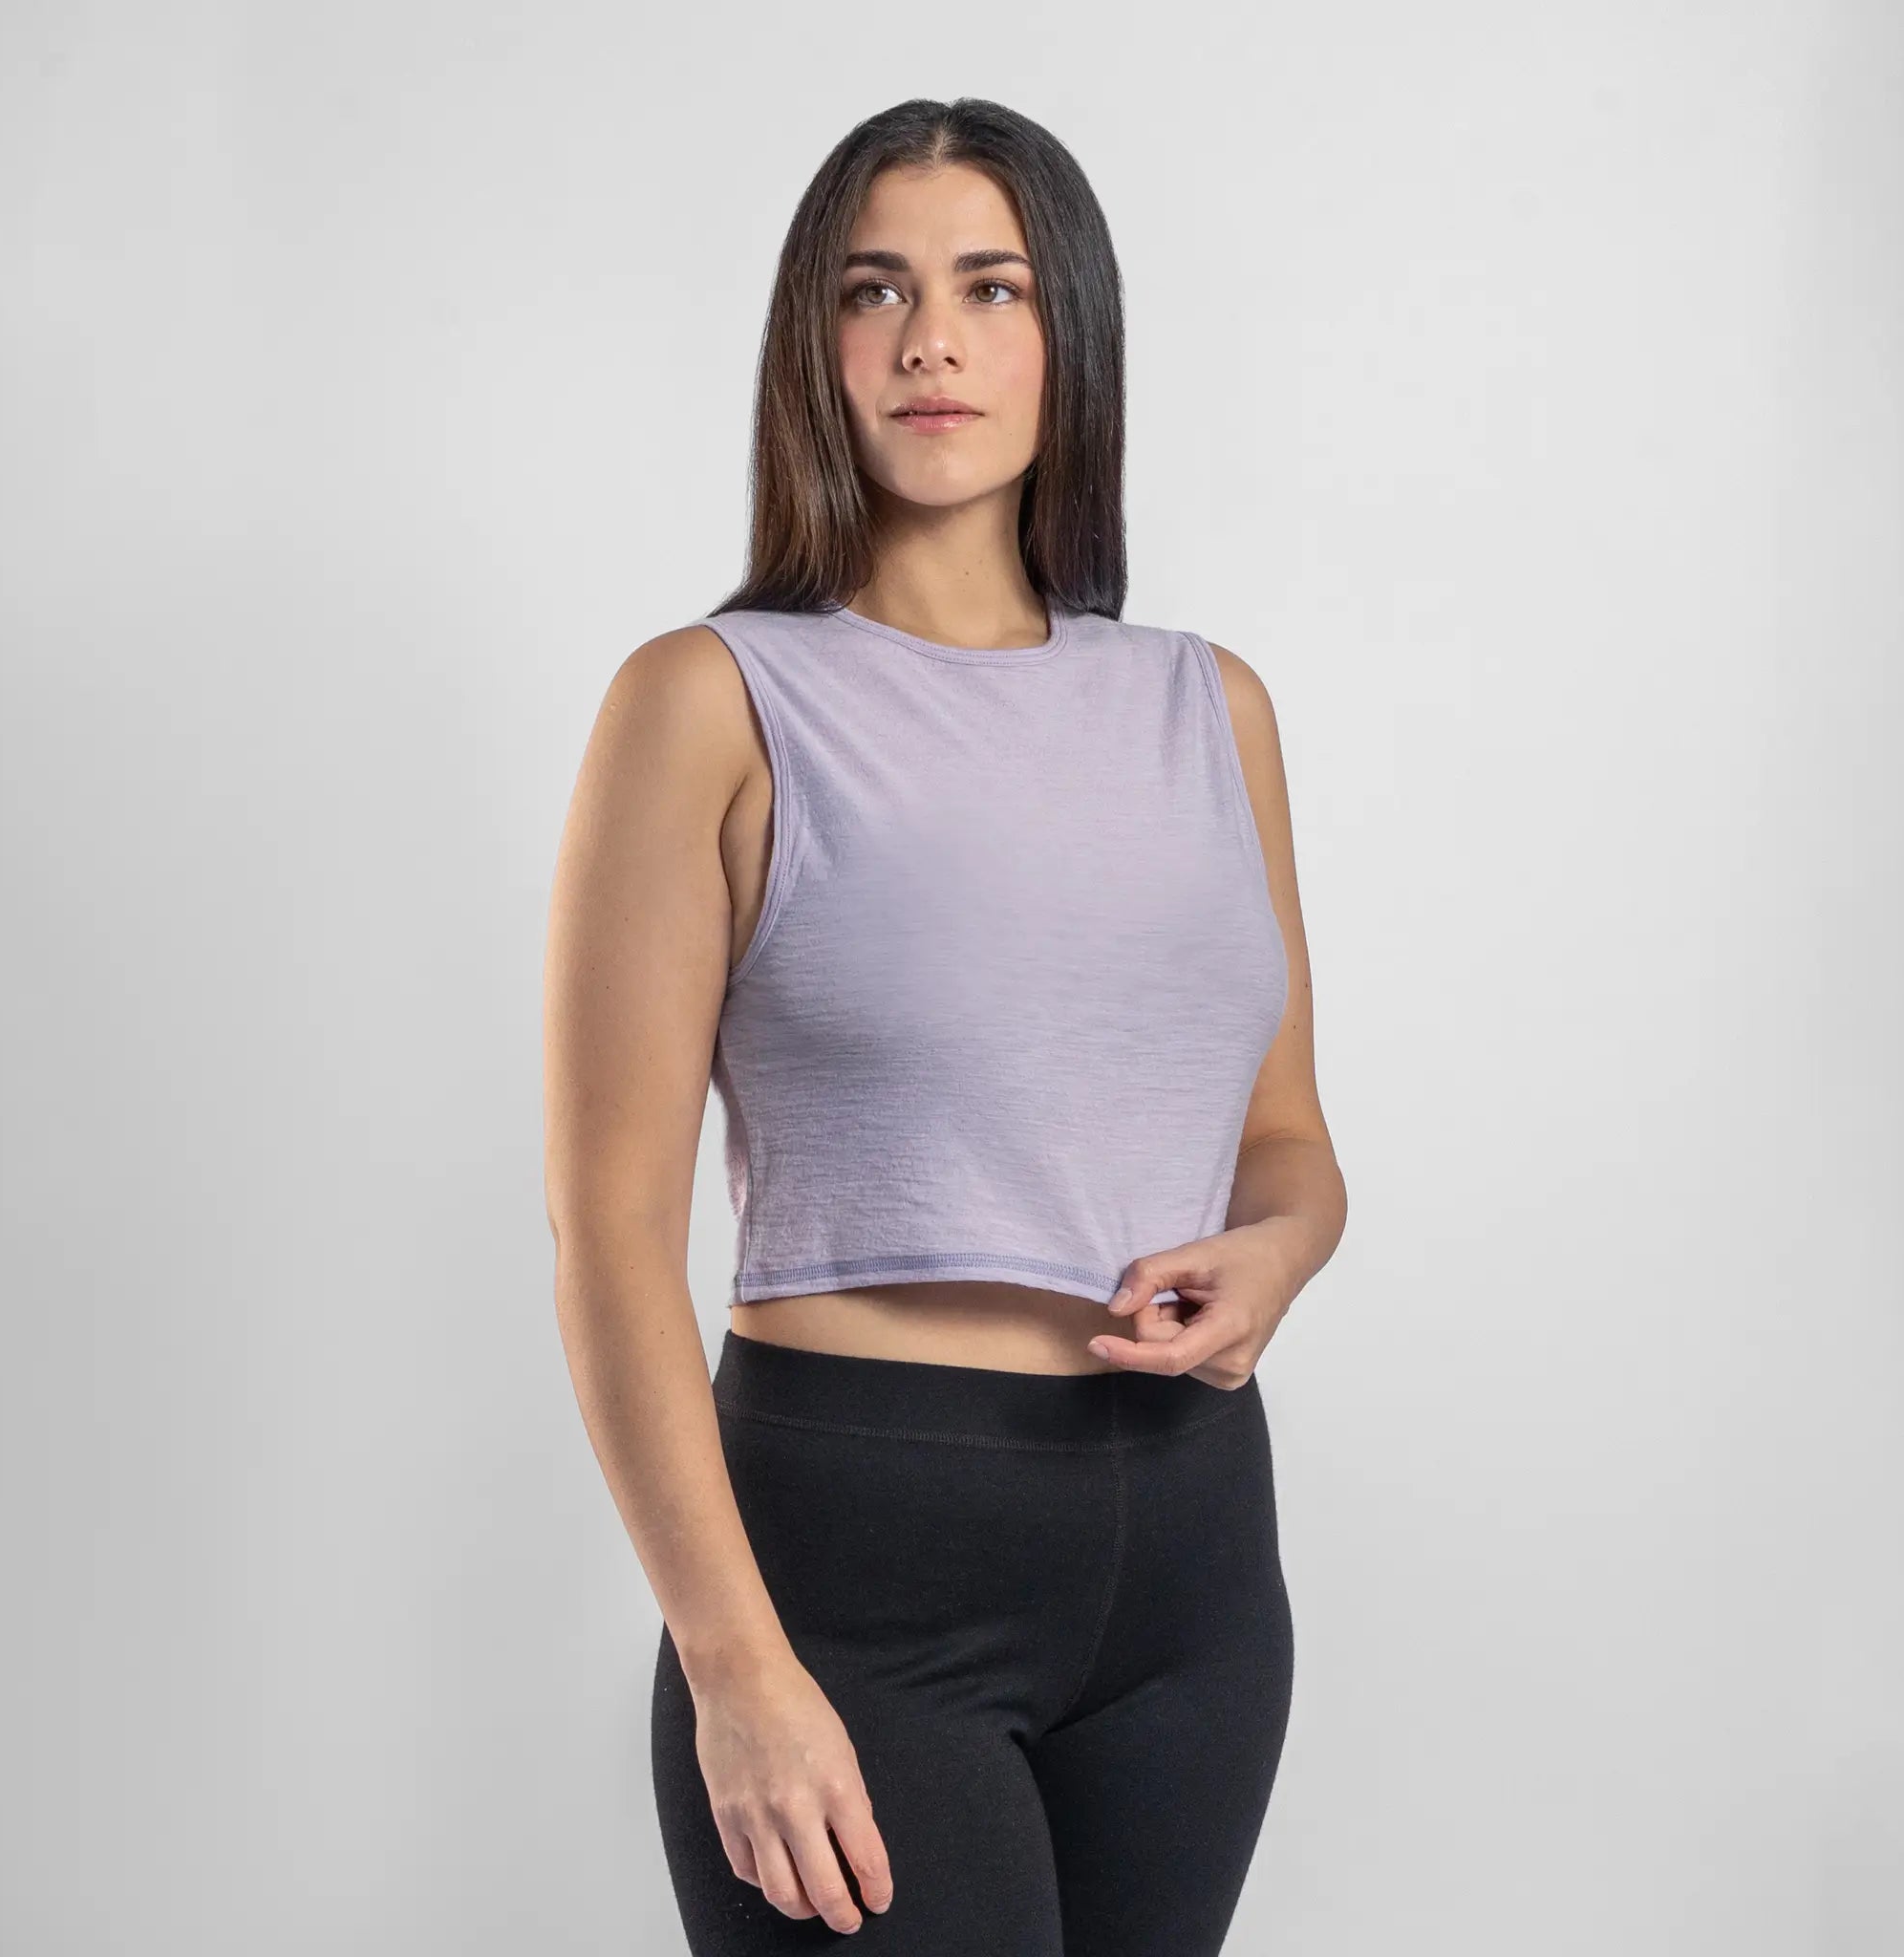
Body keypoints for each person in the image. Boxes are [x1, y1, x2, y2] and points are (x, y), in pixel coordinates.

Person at [543, 95, 1347, 1955]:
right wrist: (734, 1665)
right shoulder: (710, 702)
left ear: (1071, 337)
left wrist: (1279, 1253)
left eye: (991, 287)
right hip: (856, 1564)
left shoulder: (1208, 708)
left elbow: (1286, 1136)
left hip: (1195, 1563)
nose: (928, 341)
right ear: (812, 347)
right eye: (873, 290)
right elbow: (607, 1232)